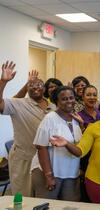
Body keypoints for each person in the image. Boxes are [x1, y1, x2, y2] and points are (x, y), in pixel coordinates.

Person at [0, 61, 55, 196]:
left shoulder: (54, 107)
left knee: (43, 197)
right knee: (23, 197)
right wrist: (3, 81)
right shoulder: (19, 104)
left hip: (46, 161)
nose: (35, 87)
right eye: (31, 85)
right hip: (23, 160)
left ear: (45, 89)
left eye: (39, 85)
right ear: (27, 88)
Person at [31, 86, 81, 201]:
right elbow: (41, 147)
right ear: (56, 102)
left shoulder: (76, 119)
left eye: (71, 98)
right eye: (64, 99)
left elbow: (78, 144)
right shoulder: (50, 119)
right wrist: (49, 176)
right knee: (48, 206)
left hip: (71, 173)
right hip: (51, 172)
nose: (69, 101)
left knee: (70, 207)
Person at [77, 85, 100, 202]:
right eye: (88, 95)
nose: (92, 97)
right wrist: (82, 127)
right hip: (86, 158)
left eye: (94, 95)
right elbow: (77, 140)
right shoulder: (78, 116)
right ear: (83, 97)